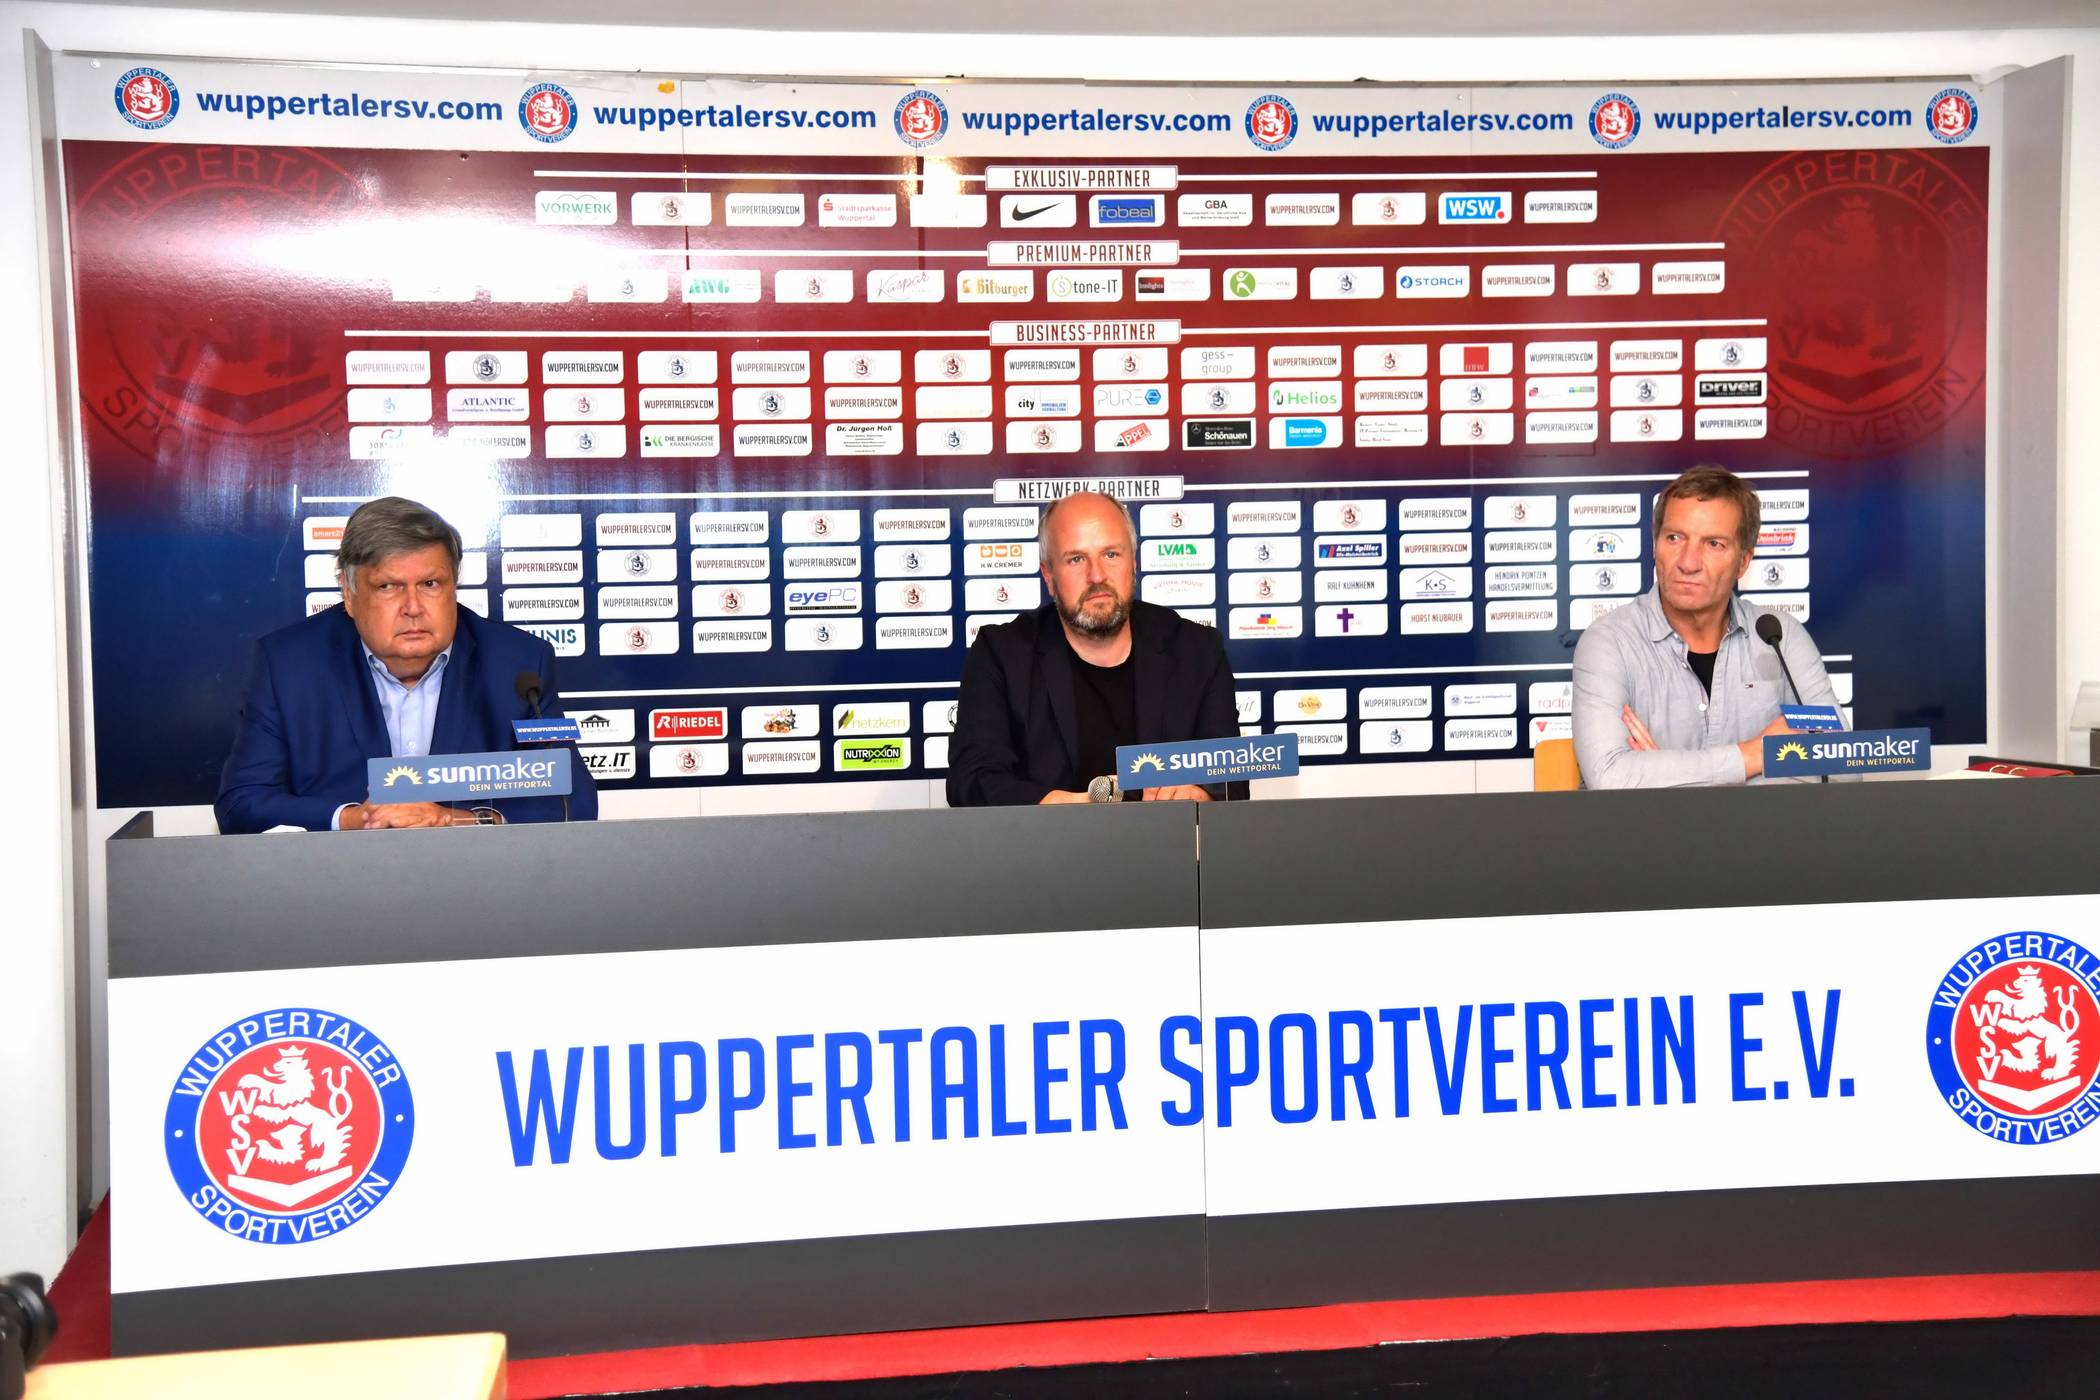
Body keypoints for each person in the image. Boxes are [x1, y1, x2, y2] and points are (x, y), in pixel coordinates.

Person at [215, 496, 598, 832]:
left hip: (478, 879)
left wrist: (455, 820)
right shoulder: (290, 665)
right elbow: (241, 804)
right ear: (348, 593)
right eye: (388, 587)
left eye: (430, 584)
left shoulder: (519, 665)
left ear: (453, 584)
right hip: (340, 881)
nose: (413, 608)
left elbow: (574, 801)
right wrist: (356, 820)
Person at [947, 491, 1242, 805]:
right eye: (1076, 559)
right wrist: (1061, 807)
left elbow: (1231, 781)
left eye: (1111, 554)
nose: (1097, 575)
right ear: (1049, 576)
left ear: (1133, 564)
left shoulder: (1197, 650)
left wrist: (1201, 795)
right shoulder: (1001, 654)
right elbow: (971, 781)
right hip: (1050, 837)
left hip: (1168, 837)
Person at [1571, 466, 1842, 788]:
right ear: (1655, 546)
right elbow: (1611, 777)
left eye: (1714, 544)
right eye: (1674, 538)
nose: (1688, 563)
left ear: (1743, 562)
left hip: (1737, 828)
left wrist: (1666, 777)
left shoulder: (1780, 638)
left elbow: (1839, 767)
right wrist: (1754, 755)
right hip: (1653, 830)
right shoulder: (1610, 642)